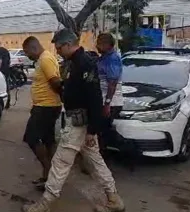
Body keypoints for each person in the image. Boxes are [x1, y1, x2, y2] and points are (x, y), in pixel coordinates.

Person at [22, 28, 124, 212]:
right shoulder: (73, 63)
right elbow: (70, 88)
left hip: (79, 124)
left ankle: (44, 205)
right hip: (80, 122)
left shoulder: (84, 63)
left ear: (68, 45)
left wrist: (93, 130)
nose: (58, 51)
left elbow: (94, 98)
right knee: (96, 161)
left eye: (59, 48)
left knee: (60, 163)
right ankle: (114, 198)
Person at [21, 36, 62, 192]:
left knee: (31, 138)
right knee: (48, 140)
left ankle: (48, 170)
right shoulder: (43, 59)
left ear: (34, 48)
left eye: (27, 53)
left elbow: (56, 82)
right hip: (45, 106)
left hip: (46, 107)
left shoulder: (45, 59)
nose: (27, 56)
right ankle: (49, 177)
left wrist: (63, 99)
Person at [96, 33, 124, 153]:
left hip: (111, 102)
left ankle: (103, 158)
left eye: (99, 43)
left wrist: (107, 104)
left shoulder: (113, 59)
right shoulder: (104, 57)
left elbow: (112, 83)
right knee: (103, 131)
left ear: (107, 44)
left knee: (103, 132)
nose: (97, 46)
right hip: (103, 100)